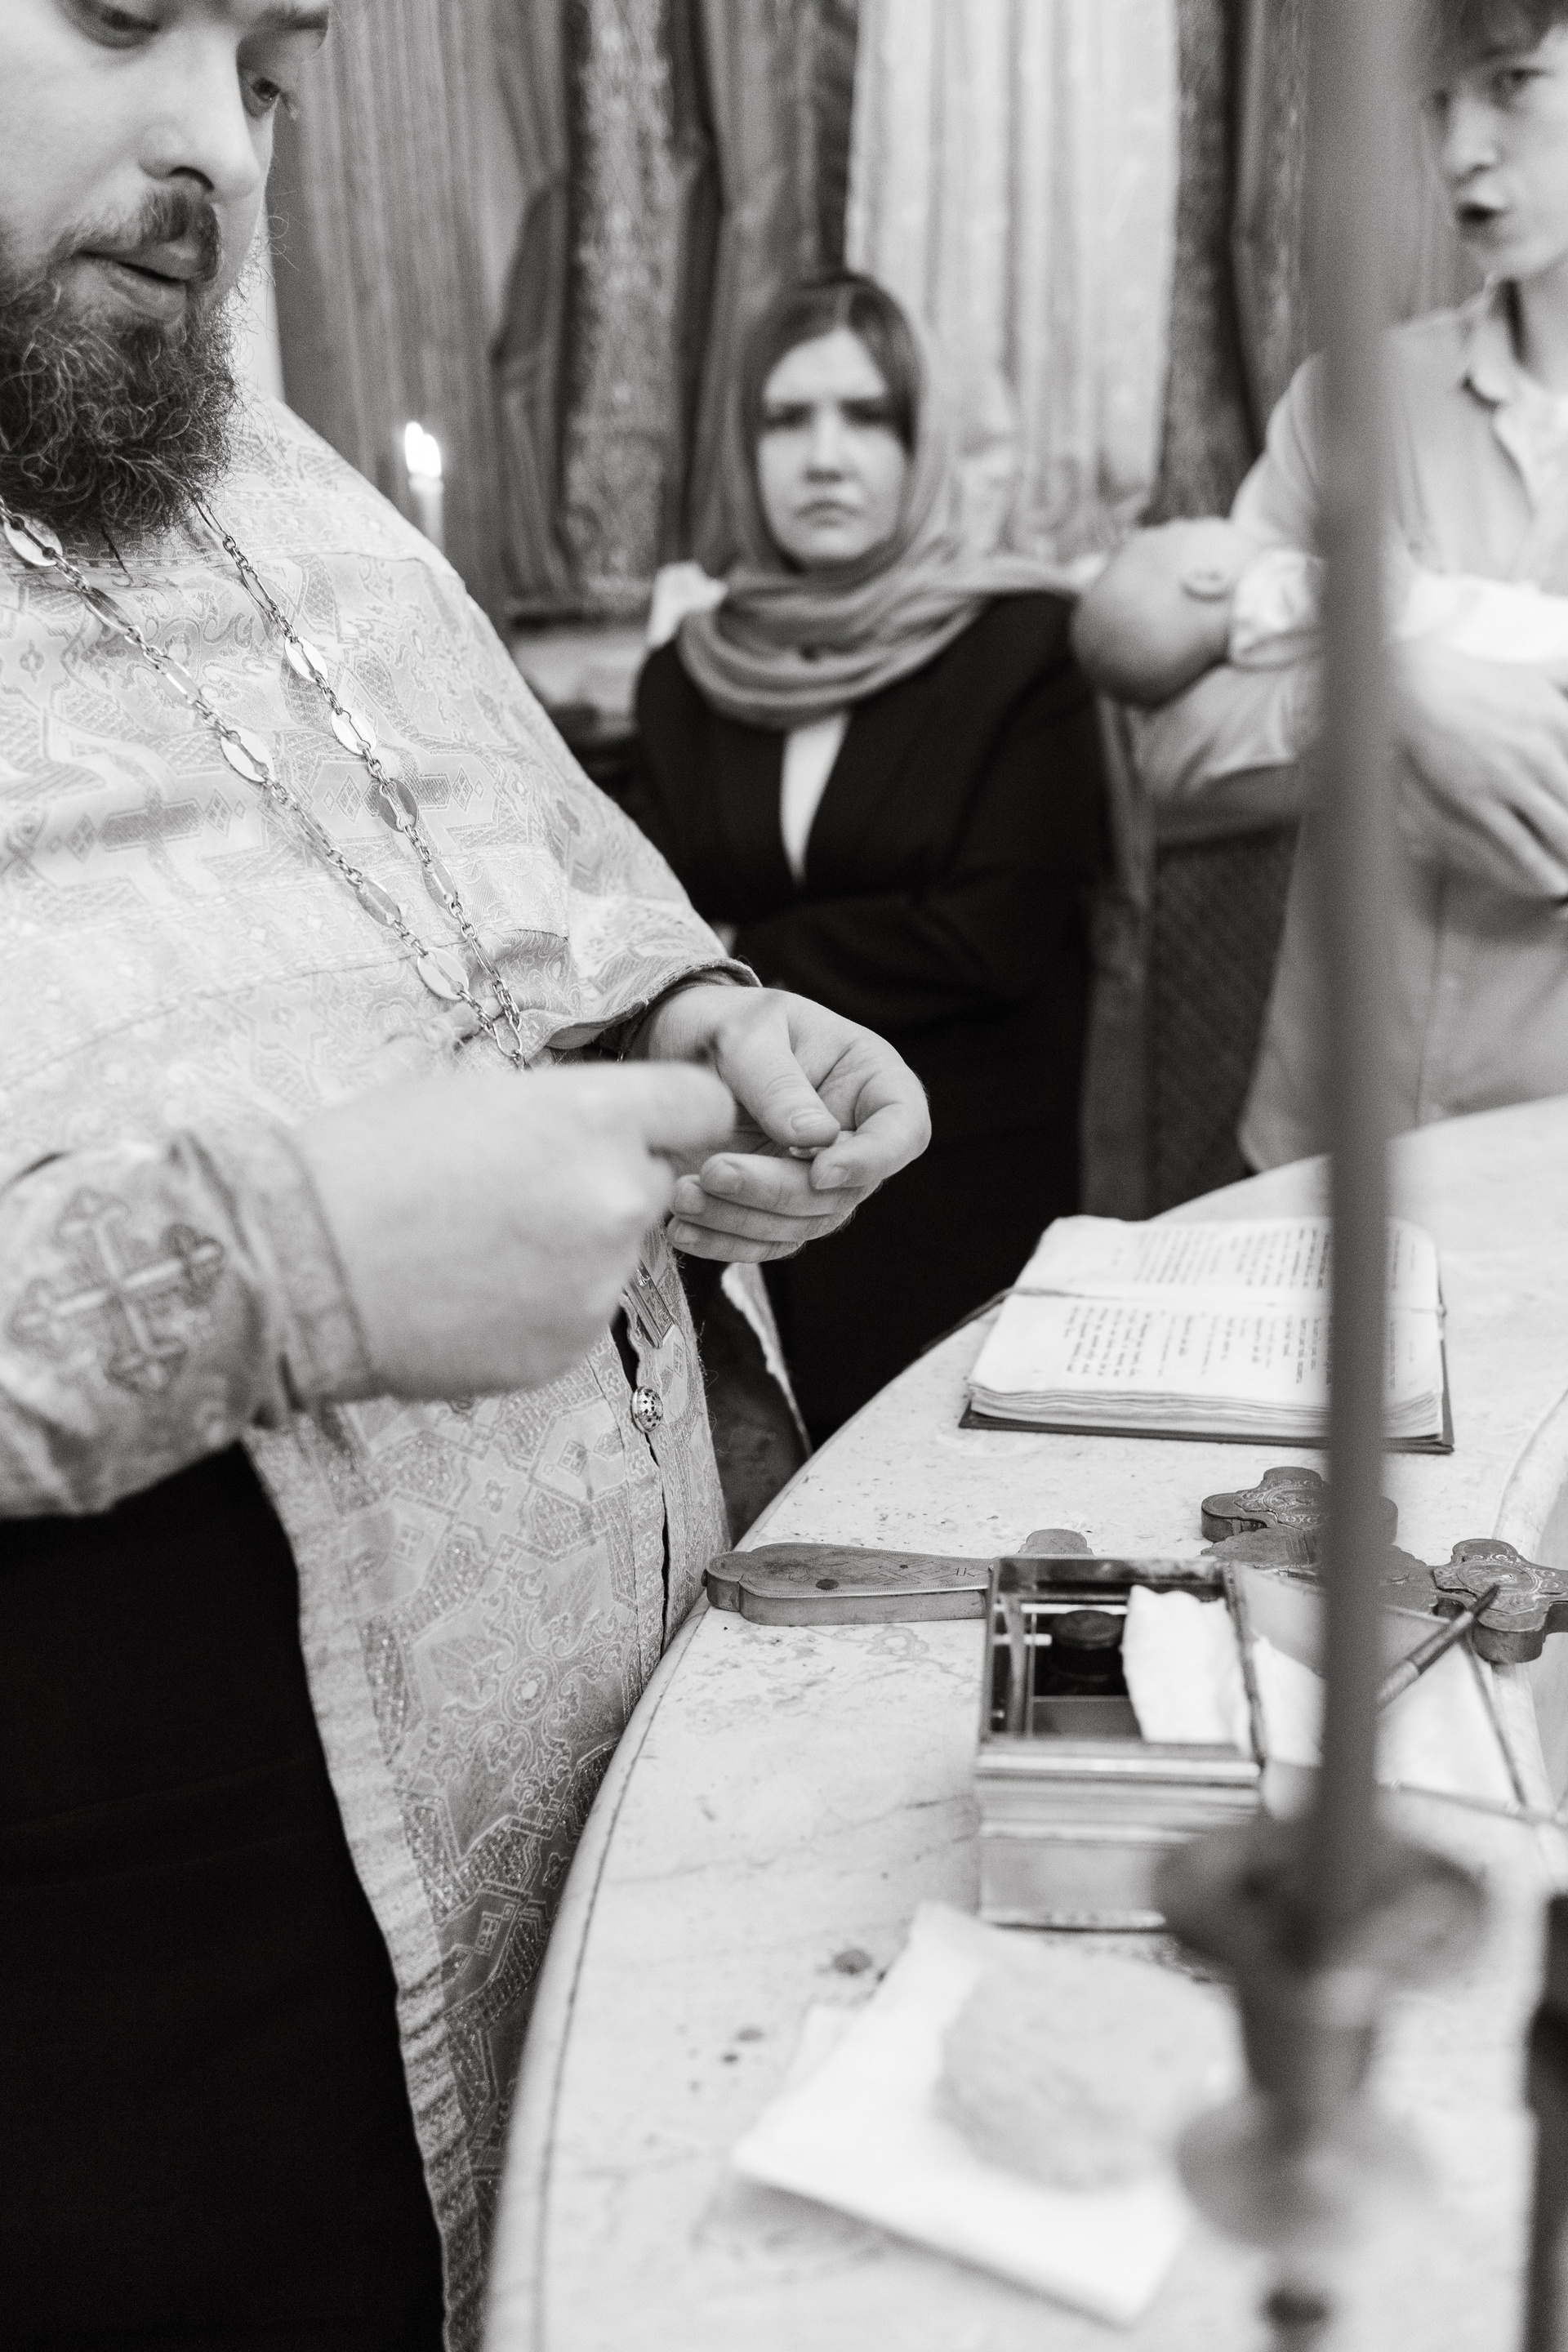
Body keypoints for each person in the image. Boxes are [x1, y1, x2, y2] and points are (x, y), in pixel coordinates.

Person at [0, 8, 929, 2348]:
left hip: (607, 1813)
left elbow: (529, 885)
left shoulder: (272, 476)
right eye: (120, 16)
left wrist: (696, 1031)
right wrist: (278, 1269)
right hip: (153, 2025)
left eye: (269, 69)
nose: (220, 150)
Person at [1074, 0, 1568, 1175]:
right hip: (1324, 1143)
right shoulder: (1351, 401)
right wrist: (1382, 696)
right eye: (1437, 104)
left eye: (1510, 84)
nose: (1460, 150)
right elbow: (1173, 754)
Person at [626, 273, 1104, 1442]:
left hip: (961, 1186)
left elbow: (988, 937)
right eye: (787, 420)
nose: (825, 458)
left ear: (921, 445)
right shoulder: (688, 675)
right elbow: (650, 928)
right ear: (743, 450)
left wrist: (743, 961)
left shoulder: (1023, 645)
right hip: (750, 1193)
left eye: (868, 417)